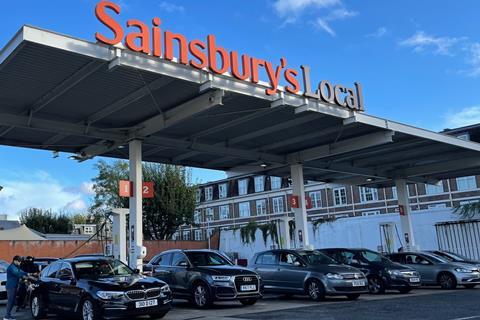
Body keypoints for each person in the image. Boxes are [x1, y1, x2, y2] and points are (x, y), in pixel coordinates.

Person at [3, 256, 31, 320]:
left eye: (20, 261)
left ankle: (8, 315)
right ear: (15, 260)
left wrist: (28, 274)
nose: (20, 263)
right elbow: (18, 274)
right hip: (11, 286)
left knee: (12, 302)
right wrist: (26, 277)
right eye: (19, 261)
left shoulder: (16, 267)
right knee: (10, 301)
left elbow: (21, 271)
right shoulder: (12, 267)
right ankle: (6, 317)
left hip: (14, 286)